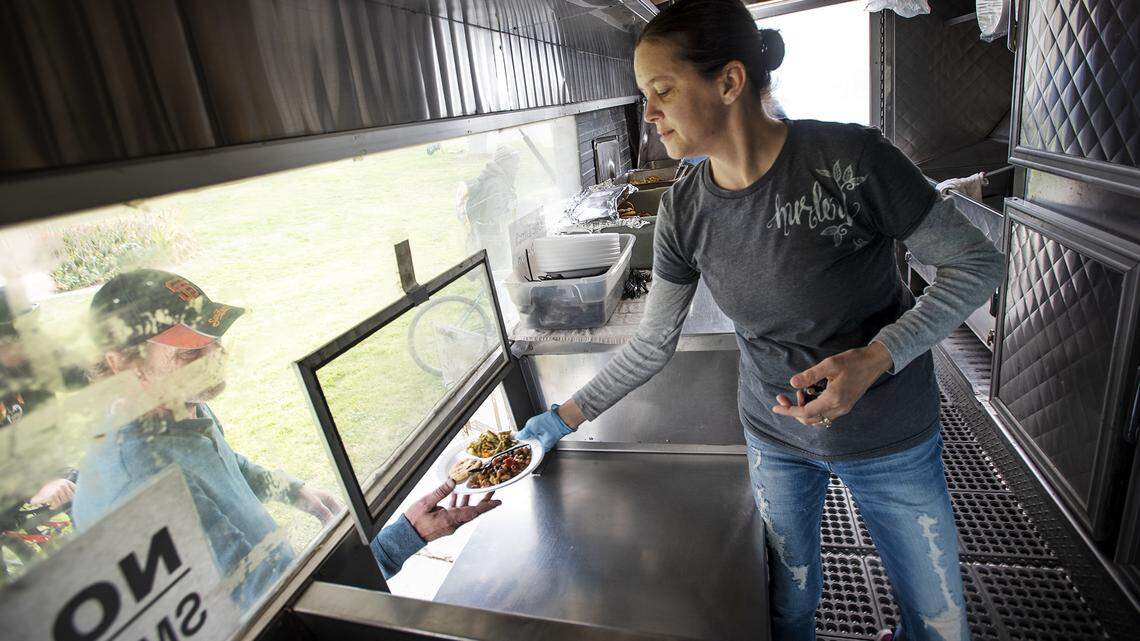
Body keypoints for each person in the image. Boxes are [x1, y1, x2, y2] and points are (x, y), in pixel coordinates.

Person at [518, 2, 1003, 640]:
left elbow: (976, 265)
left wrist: (876, 357)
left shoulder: (850, 161)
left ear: (729, 81)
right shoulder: (684, 210)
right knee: (787, 607)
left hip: (889, 436)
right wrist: (559, 420)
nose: (651, 114)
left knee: (939, 623)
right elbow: (651, 346)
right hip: (777, 441)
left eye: (662, 91)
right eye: (644, 96)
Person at [460, 145, 520, 269]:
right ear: (503, 163)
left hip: (492, 240)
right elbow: (496, 219)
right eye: (513, 163)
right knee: (498, 274)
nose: (516, 167)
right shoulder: (496, 185)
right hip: (493, 242)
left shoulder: (500, 180)